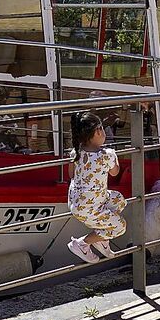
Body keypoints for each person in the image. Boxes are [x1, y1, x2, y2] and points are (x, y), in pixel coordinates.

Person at [66, 112, 126, 263]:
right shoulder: (107, 154)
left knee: (118, 199)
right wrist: (113, 156)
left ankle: (101, 238)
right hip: (90, 209)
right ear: (98, 131)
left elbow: (71, 174)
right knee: (120, 227)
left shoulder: (76, 152)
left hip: (76, 204)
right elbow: (115, 172)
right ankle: (82, 244)